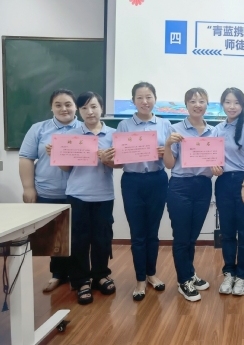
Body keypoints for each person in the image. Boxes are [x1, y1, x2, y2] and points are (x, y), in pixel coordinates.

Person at [106, 82, 172, 301]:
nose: (145, 101)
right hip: (132, 182)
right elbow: (118, 161)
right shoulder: (124, 125)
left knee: (153, 232)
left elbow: (172, 158)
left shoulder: (165, 124)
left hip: (157, 180)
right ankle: (140, 280)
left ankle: (152, 274)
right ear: (133, 100)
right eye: (140, 97)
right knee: (137, 233)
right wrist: (111, 156)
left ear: (155, 99)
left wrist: (165, 152)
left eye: (149, 97)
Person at [57, 92, 116, 305]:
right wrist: (58, 154)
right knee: (79, 240)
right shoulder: (71, 135)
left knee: (102, 238)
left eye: (94, 107)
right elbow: (65, 168)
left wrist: (108, 160)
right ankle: (81, 280)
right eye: (84, 108)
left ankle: (100, 275)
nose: (89, 112)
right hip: (78, 194)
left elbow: (120, 164)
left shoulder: (113, 134)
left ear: (102, 108)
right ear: (79, 111)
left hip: (104, 194)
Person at [19, 89, 80, 292]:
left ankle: (79, 276)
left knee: (77, 237)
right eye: (58, 105)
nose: (64, 109)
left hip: (78, 193)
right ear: (51, 107)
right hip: (48, 192)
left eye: (68, 104)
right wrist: (28, 188)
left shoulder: (83, 130)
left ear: (76, 107)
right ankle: (58, 275)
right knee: (54, 238)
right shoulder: (39, 129)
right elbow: (26, 158)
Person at [163, 88, 214, 302]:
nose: (197, 105)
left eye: (201, 101)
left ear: (207, 105)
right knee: (182, 236)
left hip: (203, 185)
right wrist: (168, 144)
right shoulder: (175, 129)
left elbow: (216, 163)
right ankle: (183, 280)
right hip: (180, 186)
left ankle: (189, 273)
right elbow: (169, 164)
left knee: (192, 236)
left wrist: (217, 167)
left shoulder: (213, 132)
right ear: (186, 105)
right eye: (192, 101)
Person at [212, 88, 244, 296]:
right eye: (228, 102)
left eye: (236, 103)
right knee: (228, 232)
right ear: (222, 104)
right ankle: (229, 273)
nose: (232, 107)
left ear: (243, 105)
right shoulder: (217, 129)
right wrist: (213, 166)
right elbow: (212, 156)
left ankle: (242, 276)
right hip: (224, 183)